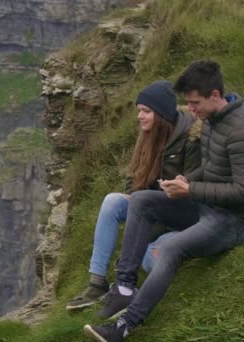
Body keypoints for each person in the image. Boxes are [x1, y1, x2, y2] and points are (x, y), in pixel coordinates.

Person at [84, 60, 244, 342]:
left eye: (194, 103)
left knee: (170, 249)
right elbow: (212, 167)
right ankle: (123, 287)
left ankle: (123, 327)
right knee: (142, 199)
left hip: (231, 220)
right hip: (204, 205)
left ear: (215, 96)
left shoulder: (239, 131)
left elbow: (241, 192)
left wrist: (190, 189)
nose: (190, 110)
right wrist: (185, 179)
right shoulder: (209, 120)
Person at [66, 80, 201, 311]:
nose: (139, 116)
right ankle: (96, 282)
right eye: (139, 110)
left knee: (150, 258)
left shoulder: (191, 139)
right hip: (151, 207)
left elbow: (192, 196)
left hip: (183, 214)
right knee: (112, 201)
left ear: (161, 114)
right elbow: (134, 177)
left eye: (146, 111)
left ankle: (131, 291)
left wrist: (144, 232)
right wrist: (134, 197)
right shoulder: (149, 134)